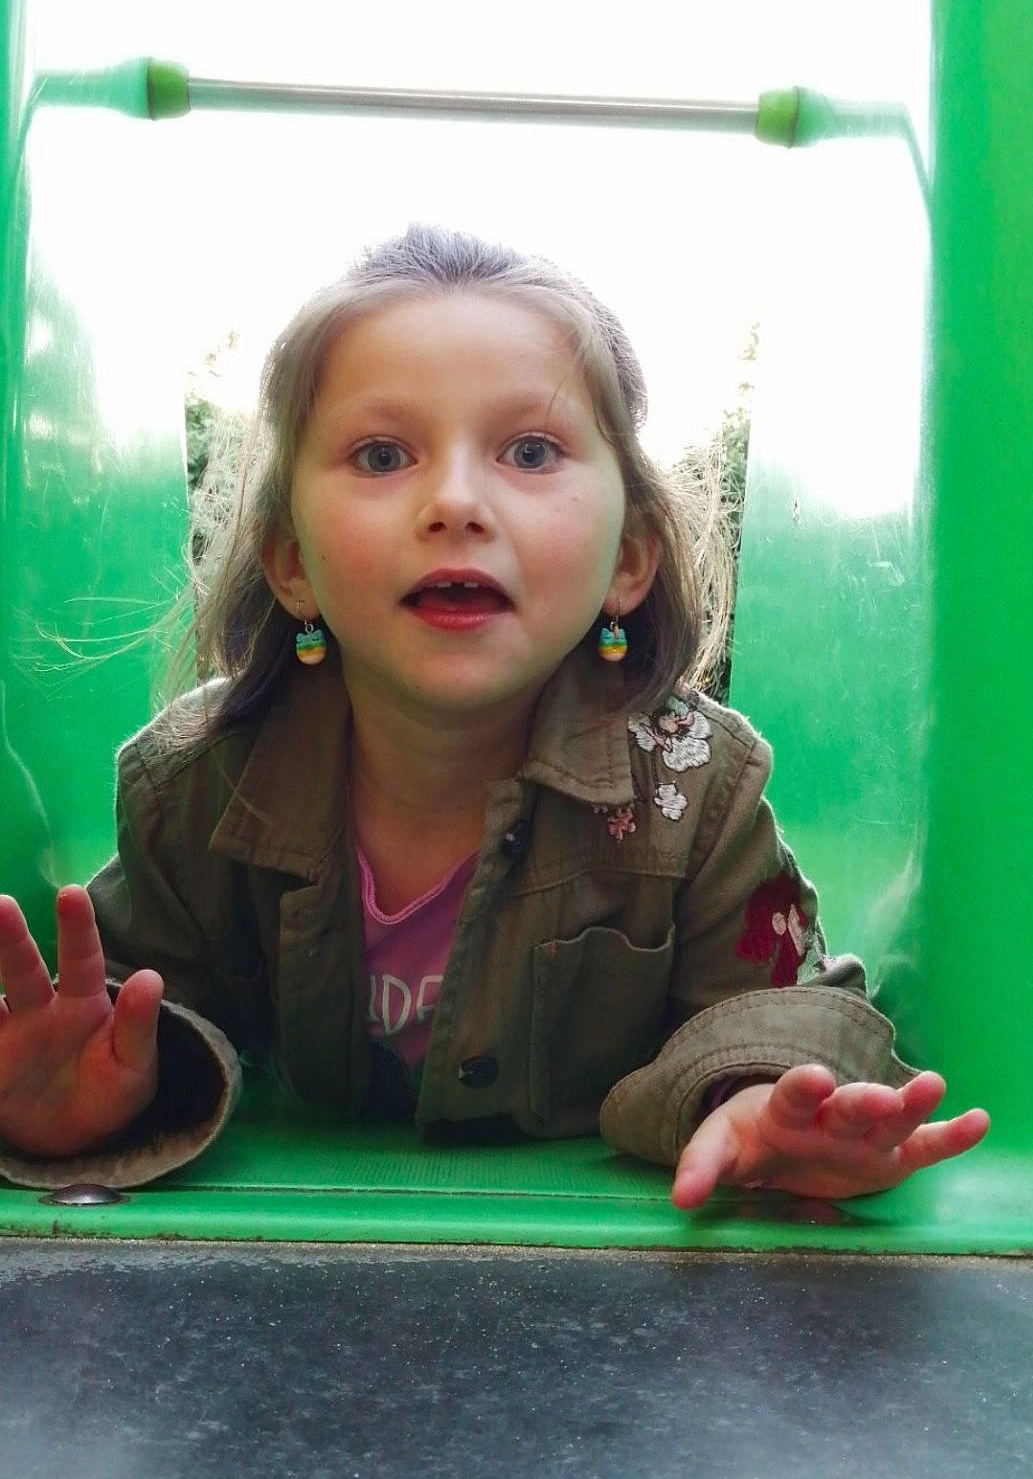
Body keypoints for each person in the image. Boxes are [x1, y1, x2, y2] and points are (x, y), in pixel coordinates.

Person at [0, 225, 989, 1201]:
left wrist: (759, 1093)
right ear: (291, 561)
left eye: (529, 448)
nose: (456, 500)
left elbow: (789, 1006)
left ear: (630, 558)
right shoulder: (197, 785)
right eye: (383, 454)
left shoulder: (694, 788)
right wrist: (101, 1092)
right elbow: (130, 1012)